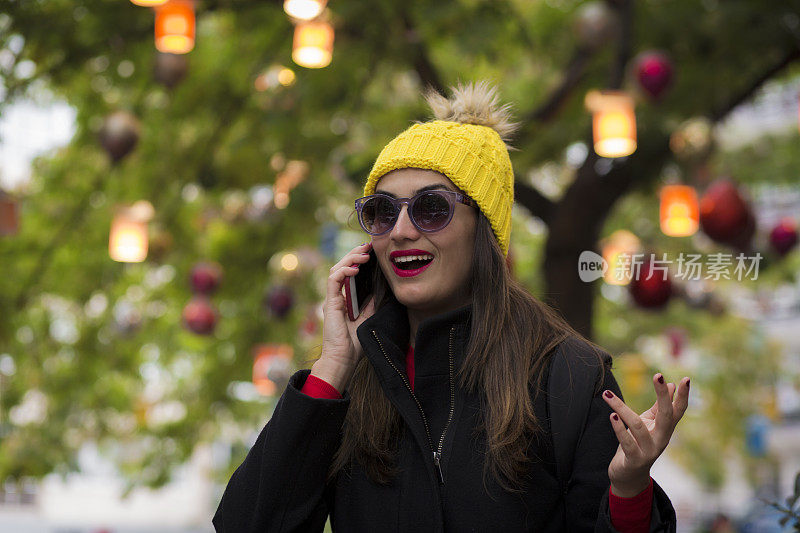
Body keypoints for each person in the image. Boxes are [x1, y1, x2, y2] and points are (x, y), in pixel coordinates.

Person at [213, 80, 690, 532]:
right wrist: (333, 366)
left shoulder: (568, 373)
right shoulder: (348, 381)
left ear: (483, 229)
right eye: (382, 211)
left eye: (431, 208)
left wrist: (628, 489)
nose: (401, 230)